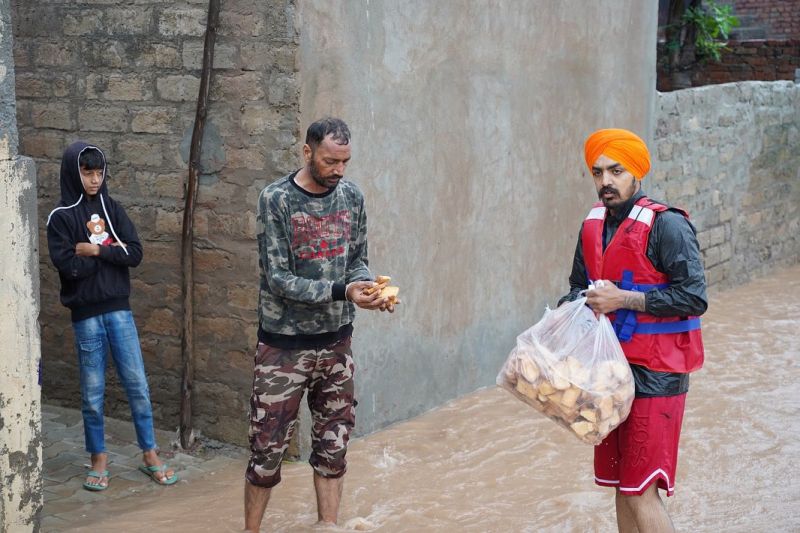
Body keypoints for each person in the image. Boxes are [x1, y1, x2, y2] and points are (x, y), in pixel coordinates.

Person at [245, 117, 394, 531]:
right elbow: (279, 279)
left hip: (336, 346)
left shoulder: (351, 197)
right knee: (266, 450)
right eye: (330, 161)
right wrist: (344, 291)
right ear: (307, 152)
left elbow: (357, 260)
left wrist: (368, 288)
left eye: (345, 162)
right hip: (283, 347)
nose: (339, 170)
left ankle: (328, 526)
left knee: (334, 447)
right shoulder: (276, 199)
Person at [559, 128, 707, 532]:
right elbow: (577, 286)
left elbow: (694, 297)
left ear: (637, 173)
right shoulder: (592, 225)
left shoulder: (668, 226)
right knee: (622, 487)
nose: (605, 181)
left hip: (658, 374)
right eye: (597, 172)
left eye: (616, 171)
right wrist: (567, 313)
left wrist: (624, 299)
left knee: (641, 490)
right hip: (609, 372)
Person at [46, 141, 177, 491]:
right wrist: (110, 254)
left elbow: (135, 254)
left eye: (99, 172)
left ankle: (150, 454)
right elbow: (68, 267)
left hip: (120, 311)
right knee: (92, 393)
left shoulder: (113, 209)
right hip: (86, 316)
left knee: (138, 385)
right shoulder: (60, 217)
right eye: (87, 172)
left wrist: (95, 250)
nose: (94, 179)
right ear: (73, 173)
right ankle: (98, 459)